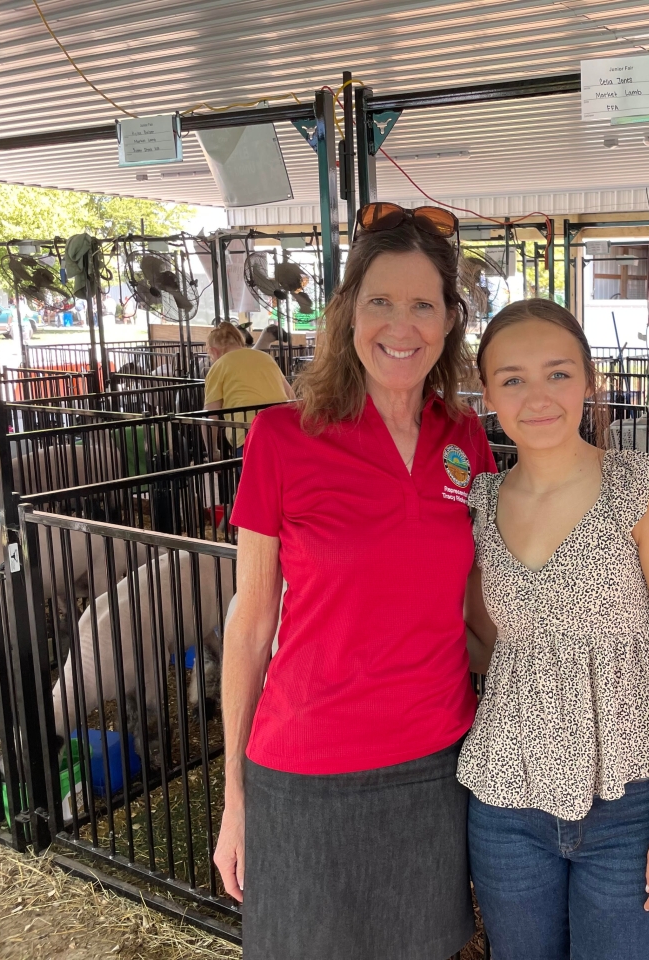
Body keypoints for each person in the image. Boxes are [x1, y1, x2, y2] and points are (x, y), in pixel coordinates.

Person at [213, 203, 496, 960]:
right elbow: (248, 629)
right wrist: (235, 800)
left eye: (421, 306)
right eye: (379, 302)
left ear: (447, 321)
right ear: (346, 313)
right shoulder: (281, 437)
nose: (400, 327)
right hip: (304, 768)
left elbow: (482, 604)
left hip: (435, 765)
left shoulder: (463, 437)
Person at [461, 298, 649, 960]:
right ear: (486, 393)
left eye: (558, 373)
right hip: (506, 801)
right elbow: (489, 643)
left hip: (627, 808)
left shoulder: (640, 491)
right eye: (512, 378)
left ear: (589, 379)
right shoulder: (482, 504)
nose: (537, 396)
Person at [203, 322, 295, 452]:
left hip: (247, 434)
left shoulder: (219, 366)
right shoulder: (266, 357)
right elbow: (291, 396)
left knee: (251, 472)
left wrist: (212, 451)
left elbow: (210, 415)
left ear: (214, 351)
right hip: (282, 431)